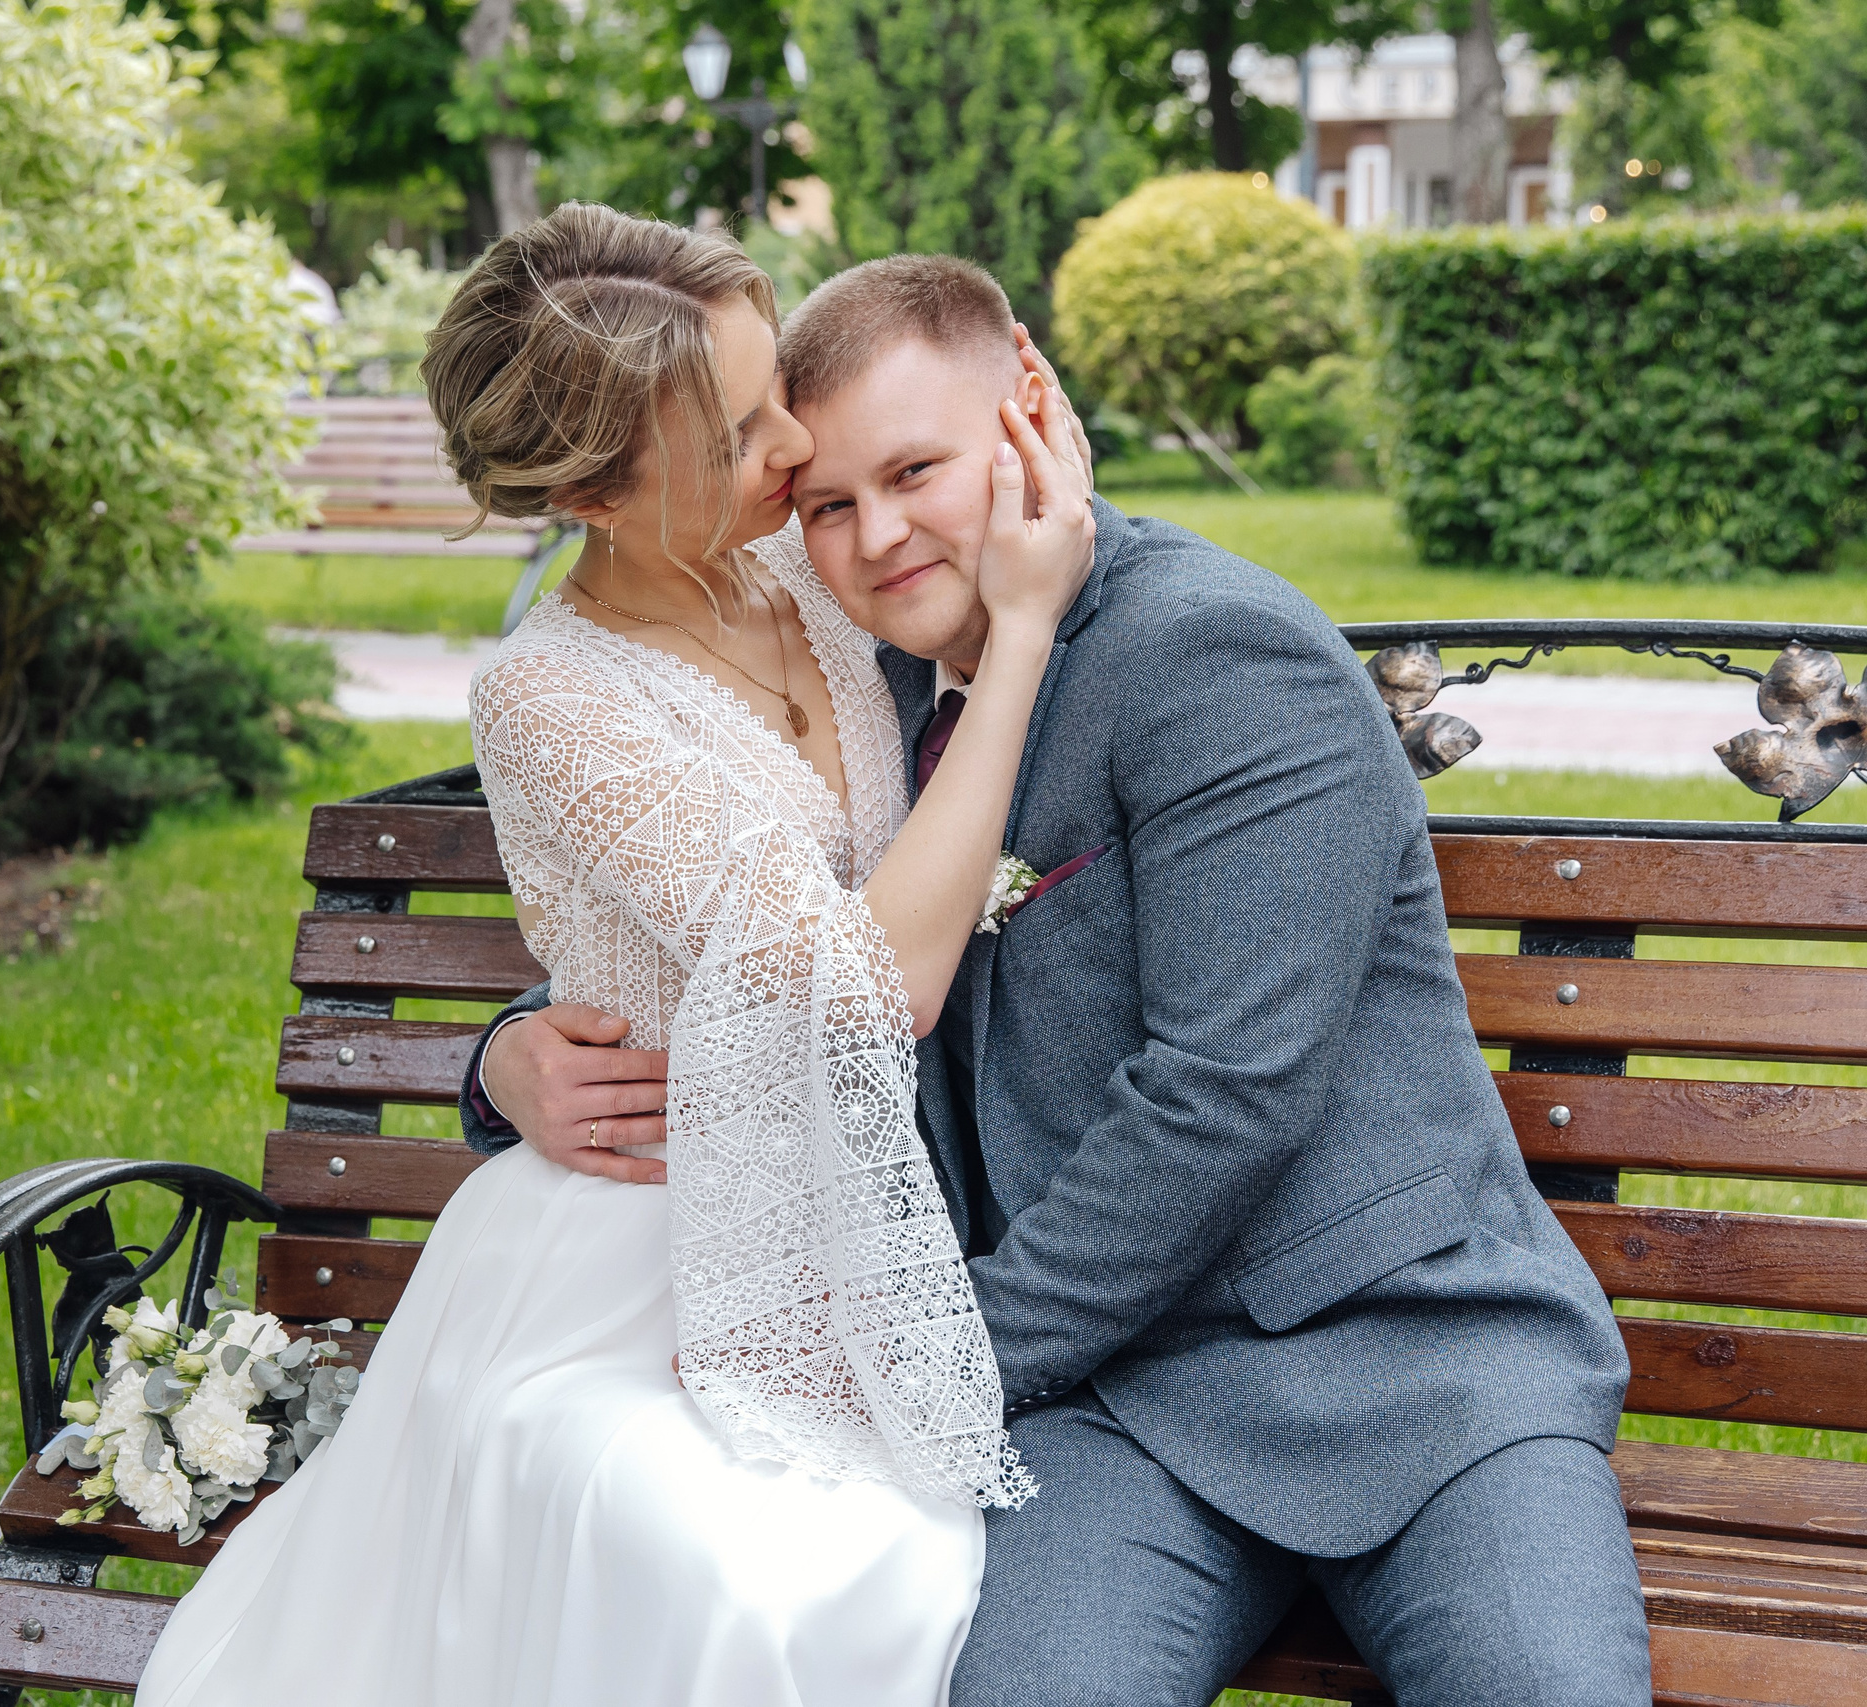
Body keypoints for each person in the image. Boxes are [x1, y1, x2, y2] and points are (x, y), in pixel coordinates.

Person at [466, 253, 1652, 1707]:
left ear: (1030, 401)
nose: (879, 534)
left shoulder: (1217, 655)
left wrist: (933, 1370)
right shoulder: (860, 667)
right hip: (1117, 1403)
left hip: (1408, 1356)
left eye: (916, 470)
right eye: (828, 502)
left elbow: (1224, 1098)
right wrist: (513, 1049)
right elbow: (743, 919)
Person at [136, 204, 1098, 1707]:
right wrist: (1027, 633)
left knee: (870, 1567)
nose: (795, 445)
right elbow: (871, 988)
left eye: (775, 382)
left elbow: (979, 486)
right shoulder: (549, 701)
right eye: (738, 433)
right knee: (754, 1585)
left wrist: (500, 1041)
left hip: (857, 1217)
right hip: (623, 1272)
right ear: (590, 488)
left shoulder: (819, 564)